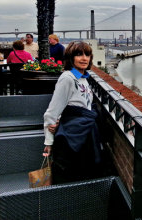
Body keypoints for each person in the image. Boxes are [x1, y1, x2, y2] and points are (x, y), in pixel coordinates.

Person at [43, 41, 103, 184]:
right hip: (73, 136)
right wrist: (49, 142)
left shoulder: (83, 78)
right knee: (72, 175)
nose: (84, 58)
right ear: (71, 57)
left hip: (85, 133)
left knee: (83, 174)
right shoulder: (67, 78)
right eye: (79, 54)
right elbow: (52, 111)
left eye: (87, 54)